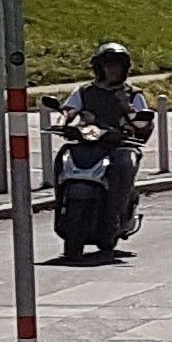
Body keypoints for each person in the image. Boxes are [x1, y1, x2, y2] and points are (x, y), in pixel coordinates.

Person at [67, 42, 153, 240]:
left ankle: (114, 215)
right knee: (65, 157)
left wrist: (135, 118)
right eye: (108, 65)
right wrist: (62, 122)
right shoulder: (84, 91)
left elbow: (142, 122)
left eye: (117, 65)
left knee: (124, 165)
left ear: (124, 69)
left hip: (121, 144)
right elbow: (68, 110)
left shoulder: (132, 94)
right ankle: (65, 204)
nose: (112, 69)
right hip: (89, 142)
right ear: (100, 67)